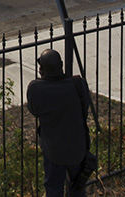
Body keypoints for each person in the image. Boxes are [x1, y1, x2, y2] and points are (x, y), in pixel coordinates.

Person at [27, 49, 91, 197]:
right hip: (77, 145)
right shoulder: (77, 84)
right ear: (61, 65)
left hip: (53, 149)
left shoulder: (36, 89)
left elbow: (34, 110)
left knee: (53, 187)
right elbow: (84, 108)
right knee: (77, 186)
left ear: (41, 70)